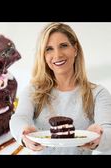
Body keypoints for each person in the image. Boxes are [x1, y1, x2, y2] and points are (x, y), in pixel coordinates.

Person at [9, 22, 111, 154]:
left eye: (63, 46)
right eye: (49, 49)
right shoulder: (33, 91)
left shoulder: (98, 93)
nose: (57, 55)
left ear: (75, 49)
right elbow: (19, 118)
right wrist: (24, 133)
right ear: (43, 56)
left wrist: (99, 137)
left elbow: (108, 133)